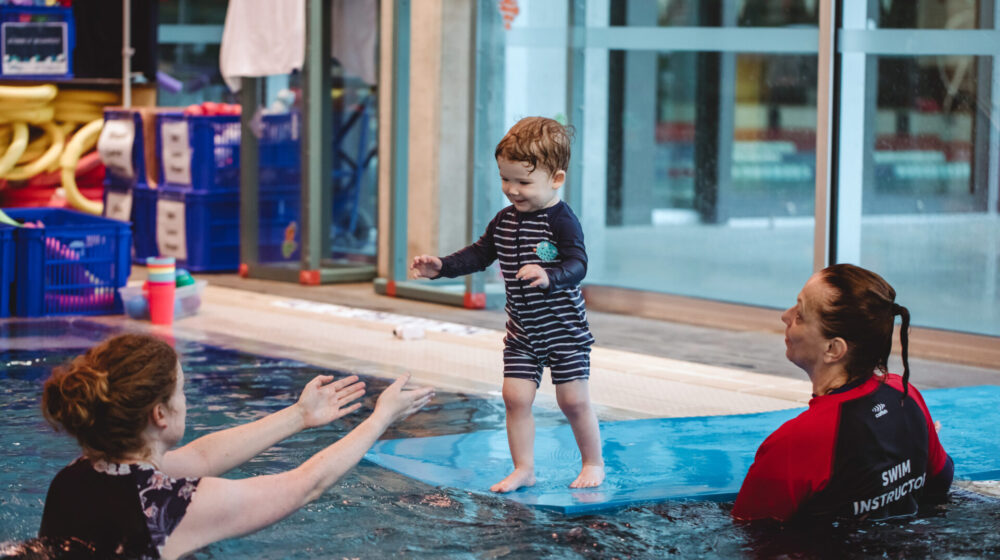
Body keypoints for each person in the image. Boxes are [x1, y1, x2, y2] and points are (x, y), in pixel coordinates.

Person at [38, 333, 434, 559]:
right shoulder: (172, 506)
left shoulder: (72, 478)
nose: (185, 400)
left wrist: (299, 415)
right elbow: (306, 484)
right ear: (160, 415)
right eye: (182, 390)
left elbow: (203, 457)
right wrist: (381, 418)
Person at [410, 116, 603, 493]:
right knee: (514, 398)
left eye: (524, 182)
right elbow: (480, 254)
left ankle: (593, 461)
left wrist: (551, 276)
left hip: (564, 331)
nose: (512, 190)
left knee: (573, 401)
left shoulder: (561, 221)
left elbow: (578, 264)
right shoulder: (505, 221)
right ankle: (524, 468)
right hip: (522, 333)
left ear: (556, 179)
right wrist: (442, 267)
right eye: (505, 179)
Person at [732, 264, 953, 522]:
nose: (785, 316)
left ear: (833, 349)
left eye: (800, 314)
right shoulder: (906, 396)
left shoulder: (794, 444)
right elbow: (941, 481)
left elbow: (746, 535)